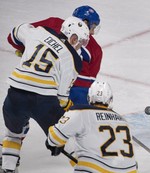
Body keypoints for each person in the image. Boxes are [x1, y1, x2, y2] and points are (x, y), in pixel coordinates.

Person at [1, 16, 89, 173]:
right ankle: (87, 169)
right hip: (44, 101)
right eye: (80, 41)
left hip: (15, 95)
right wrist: (69, 107)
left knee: (13, 134)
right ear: (72, 36)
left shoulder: (39, 32)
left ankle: (7, 169)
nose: (80, 46)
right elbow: (62, 98)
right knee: (64, 135)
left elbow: (16, 32)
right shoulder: (73, 59)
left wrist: (25, 49)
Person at [7, 5, 103, 105]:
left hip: (36, 84)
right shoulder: (95, 49)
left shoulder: (53, 23)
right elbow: (88, 84)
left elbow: (12, 38)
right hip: (72, 92)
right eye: (93, 27)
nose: (92, 32)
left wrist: (25, 49)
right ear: (85, 22)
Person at [46, 81, 138, 173]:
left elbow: (54, 138)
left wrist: (55, 143)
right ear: (110, 99)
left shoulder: (81, 113)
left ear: (89, 97)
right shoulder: (123, 121)